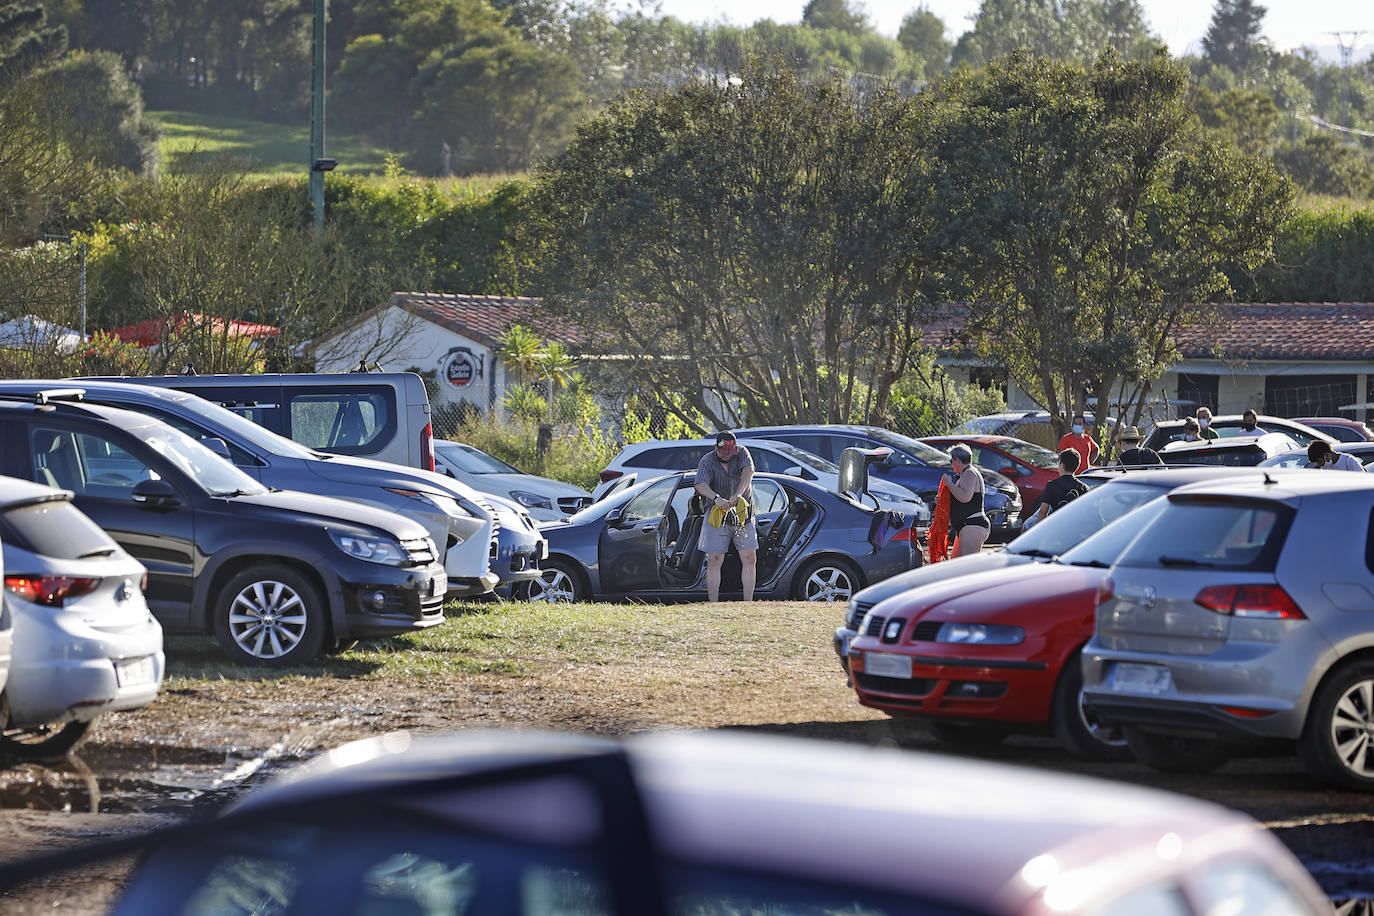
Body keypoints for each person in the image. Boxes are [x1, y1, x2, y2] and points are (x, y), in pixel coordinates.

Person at [694, 431, 757, 601]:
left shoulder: (742, 453)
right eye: (724, 452)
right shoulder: (707, 461)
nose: (728, 456)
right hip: (717, 516)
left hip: (742, 515)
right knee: (714, 559)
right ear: (716, 448)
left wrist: (738, 494)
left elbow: (748, 472)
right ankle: (713, 602)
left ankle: (748, 603)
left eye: (731, 452)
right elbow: (700, 484)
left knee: (749, 557)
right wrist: (716, 498)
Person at [944, 444, 990, 557]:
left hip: (972, 525)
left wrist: (949, 484)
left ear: (957, 459)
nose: (951, 464)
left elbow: (965, 497)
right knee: (956, 565)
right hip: (967, 527)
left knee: (969, 568)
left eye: (951, 460)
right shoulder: (965, 474)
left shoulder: (970, 473)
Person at [1031, 449, 1090, 524]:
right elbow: (1086, 514)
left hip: (1057, 528)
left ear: (1062, 465)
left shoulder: (1052, 485)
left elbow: (1043, 512)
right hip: (1076, 529)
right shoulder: (1084, 488)